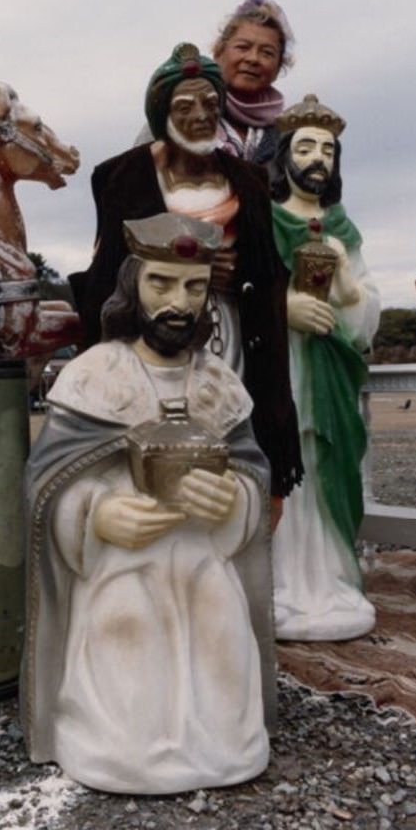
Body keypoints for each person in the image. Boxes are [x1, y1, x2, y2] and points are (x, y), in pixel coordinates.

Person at [23, 212, 274, 793]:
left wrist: (232, 500)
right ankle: (124, 750)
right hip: (119, 564)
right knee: (127, 624)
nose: (178, 303)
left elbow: (251, 474)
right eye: (161, 283)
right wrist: (97, 512)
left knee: (220, 626)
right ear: (133, 285)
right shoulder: (93, 376)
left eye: (193, 286)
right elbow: (47, 482)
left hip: (202, 557)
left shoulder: (223, 385)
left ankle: (226, 745)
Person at [70, 42, 303, 515]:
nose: (201, 115)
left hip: (233, 328)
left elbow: (269, 267)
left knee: (228, 421)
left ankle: (234, 521)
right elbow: (106, 268)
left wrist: (240, 276)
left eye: (211, 105)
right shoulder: (120, 177)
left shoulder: (248, 180)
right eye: (184, 106)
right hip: (154, 329)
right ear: (161, 114)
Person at [267, 94, 381, 641]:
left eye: (328, 150)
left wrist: (346, 284)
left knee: (328, 465)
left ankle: (332, 581)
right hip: (282, 366)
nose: (317, 158)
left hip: (329, 368)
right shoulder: (266, 220)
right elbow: (244, 289)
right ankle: (282, 585)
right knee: (286, 465)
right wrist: (282, 307)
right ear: (284, 155)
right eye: (306, 147)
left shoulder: (342, 227)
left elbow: (364, 312)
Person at [211, 0, 296, 163]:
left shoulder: (292, 139)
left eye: (267, 53)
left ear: (279, 67)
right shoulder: (180, 116)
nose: (253, 59)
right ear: (219, 52)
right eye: (243, 47)